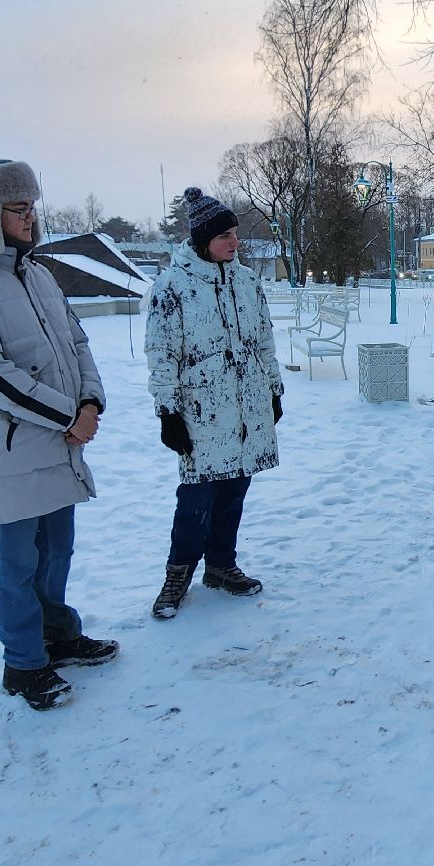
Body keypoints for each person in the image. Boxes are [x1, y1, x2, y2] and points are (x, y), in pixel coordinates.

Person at [0, 159, 118, 711]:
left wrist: (90, 400)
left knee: (57, 553)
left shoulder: (37, 274)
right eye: (17, 209)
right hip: (11, 452)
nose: (30, 218)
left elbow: (77, 344)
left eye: (32, 207)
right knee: (16, 563)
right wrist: (69, 416)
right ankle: (23, 664)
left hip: (60, 445)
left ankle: (58, 637)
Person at [145, 187, 284, 619]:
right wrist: (168, 412)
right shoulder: (173, 286)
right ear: (204, 239)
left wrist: (274, 389)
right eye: (225, 235)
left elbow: (264, 340)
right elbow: (160, 353)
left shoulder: (246, 281)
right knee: (196, 498)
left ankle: (221, 565)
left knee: (235, 490)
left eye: (235, 234)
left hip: (247, 406)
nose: (234, 242)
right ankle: (178, 574)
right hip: (202, 412)